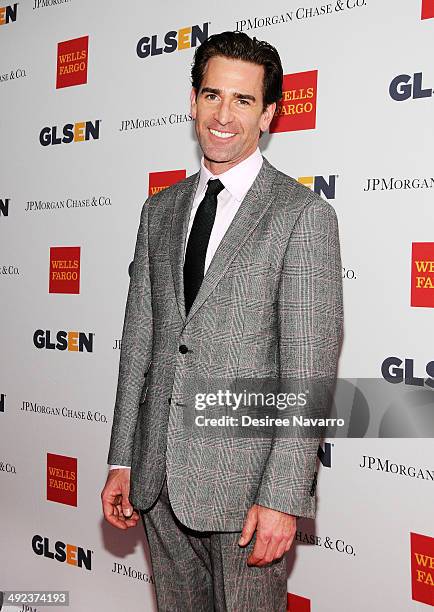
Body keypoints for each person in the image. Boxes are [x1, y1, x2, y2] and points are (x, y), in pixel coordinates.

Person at [101, 30, 343, 612]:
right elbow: (140, 342)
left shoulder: (301, 215)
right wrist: (123, 458)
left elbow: (308, 370)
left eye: (242, 100)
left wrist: (283, 497)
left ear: (269, 114)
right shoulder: (159, 211)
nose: (223, 115)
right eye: (212, 96)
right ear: (192, 101)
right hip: (157, 480)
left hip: (247, 493)